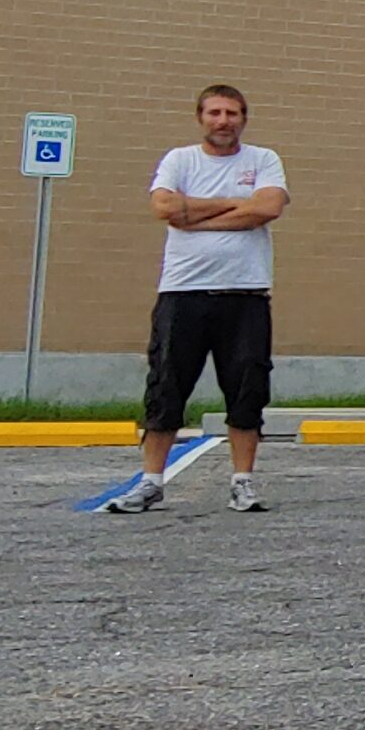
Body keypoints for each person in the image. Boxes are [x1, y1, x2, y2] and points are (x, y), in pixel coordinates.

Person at [106, 83, 287, 515]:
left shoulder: (264, 160)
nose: (223, 121)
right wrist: (232, 205)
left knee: (246, 387)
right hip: (181, 294)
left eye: (232, 113)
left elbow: (268, 208)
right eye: (215, 113)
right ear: (200, 117)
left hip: (245, 294)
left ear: (244, 117)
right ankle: (151, 482)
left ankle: (242, 482)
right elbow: (167, 209)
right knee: (166, 385)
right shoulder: (179, 159)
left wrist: (197, 215)